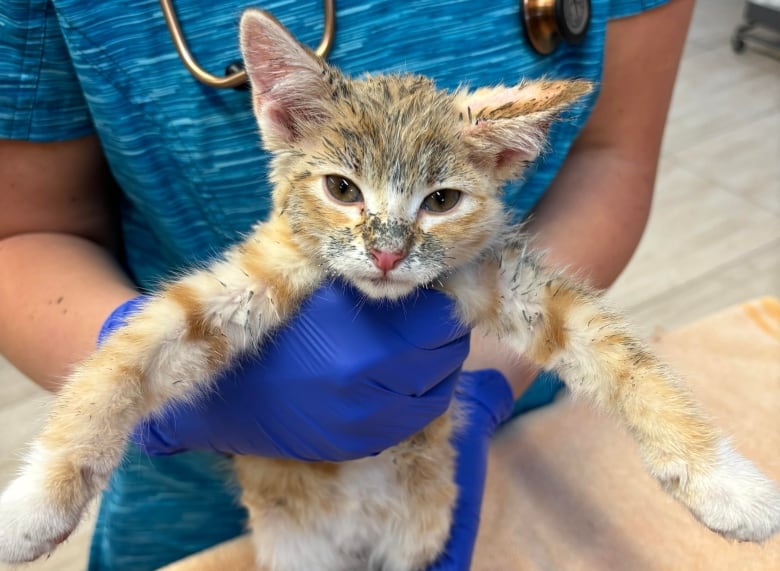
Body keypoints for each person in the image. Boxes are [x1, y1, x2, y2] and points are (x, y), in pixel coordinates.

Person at [0, 0, 694, 569]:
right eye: (340, 187)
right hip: (194, 500)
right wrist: (161, 390)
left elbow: (614, 153)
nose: (387, 252)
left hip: (499, 425)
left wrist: (484, 379)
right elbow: (20, 230)